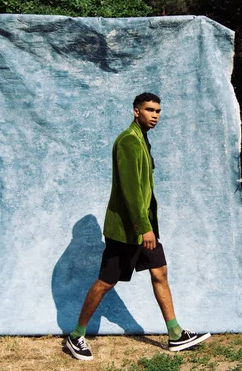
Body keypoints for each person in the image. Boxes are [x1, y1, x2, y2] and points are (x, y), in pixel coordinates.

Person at [65, 92, 211, 361]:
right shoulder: (128, 142)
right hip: (126, 230)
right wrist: (144, 227)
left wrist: (147, 227)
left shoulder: (142, 139)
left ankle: (176, 334)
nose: (155, 115)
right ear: (135, 111)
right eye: (149, 110)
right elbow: (131, 191)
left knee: (160, 271)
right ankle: (76, 336)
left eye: (158, 110)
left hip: (144, 227)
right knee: (106, 282)